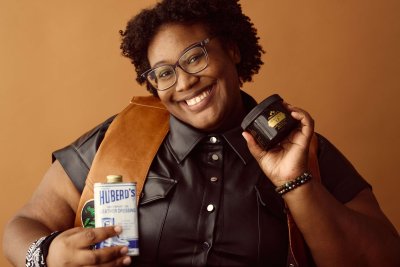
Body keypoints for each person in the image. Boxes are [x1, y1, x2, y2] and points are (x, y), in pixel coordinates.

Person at [3, 0, 400, 266]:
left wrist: (296, 184)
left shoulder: (299, 145)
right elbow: (22, 225)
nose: (184, 83)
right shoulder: (119, 139)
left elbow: (381, 257)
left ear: (233, 50)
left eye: (194, 57)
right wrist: (49, 253)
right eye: (163, 73)